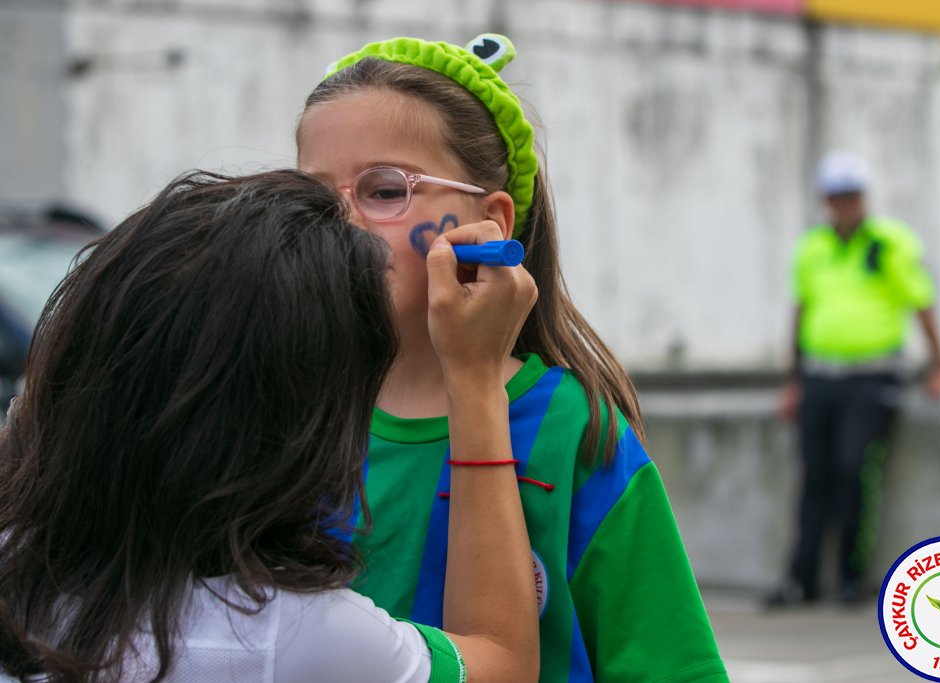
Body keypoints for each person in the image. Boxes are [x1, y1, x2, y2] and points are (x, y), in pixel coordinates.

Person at [296, 34, 729, 682]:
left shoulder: (571, 430)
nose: (341, 223)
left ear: (490, 222)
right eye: (312, 197)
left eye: (384, 190)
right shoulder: (282, 412)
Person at [0, 168, 541, 682]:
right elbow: (500, 664)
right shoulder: (298, 634)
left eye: (381, 190)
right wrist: (474, 377)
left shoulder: (18, 565)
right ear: (299, 435)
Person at [767, 150, 940, 607]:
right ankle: (802, 580)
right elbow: (801, 312)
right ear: (825, 201)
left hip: (873, 376)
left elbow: (921, 301)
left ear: (863, 198)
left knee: (855, 470)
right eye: (836, 197)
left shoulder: (890, 242)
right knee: (815, 477)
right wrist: (793, 381)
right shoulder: (813, 247)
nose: (845, 205)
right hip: (820, 375)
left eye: (852, 195)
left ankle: (853, 576)